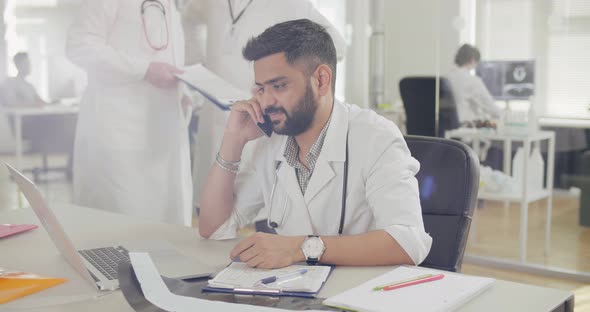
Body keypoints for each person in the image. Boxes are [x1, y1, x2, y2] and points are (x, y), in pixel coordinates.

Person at [199, 19, 431, 269]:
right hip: (291, 294)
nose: (265, 102)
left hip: (358, 293)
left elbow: (408, 242)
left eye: (278, 86)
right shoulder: (269, 142)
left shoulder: (376, 137)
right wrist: (233, 140)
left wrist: (300, 247)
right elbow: (214, 227)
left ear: (321, 80)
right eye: (261, 89)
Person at [191, 0, 347, 212]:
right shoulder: (210, 4)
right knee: (217, 205)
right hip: (221, 114)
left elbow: (335, 46)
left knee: (268, 207)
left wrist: (276, 84)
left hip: (263, 114)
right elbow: (186, 22)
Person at [66, 0, 193, 225]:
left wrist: (182, 92)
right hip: (119, 127)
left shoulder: (171, 4)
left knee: (166, 219)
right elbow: (79, 45)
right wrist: (142, 70)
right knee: (122, 220)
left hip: (163, 129)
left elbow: (167, 56)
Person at [446, 44, 501, 123]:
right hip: (465, 128)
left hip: (448, 128)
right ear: (472, 60)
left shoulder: (446, 76)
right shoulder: (472, 81)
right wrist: (505, 115)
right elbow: (491, 107)